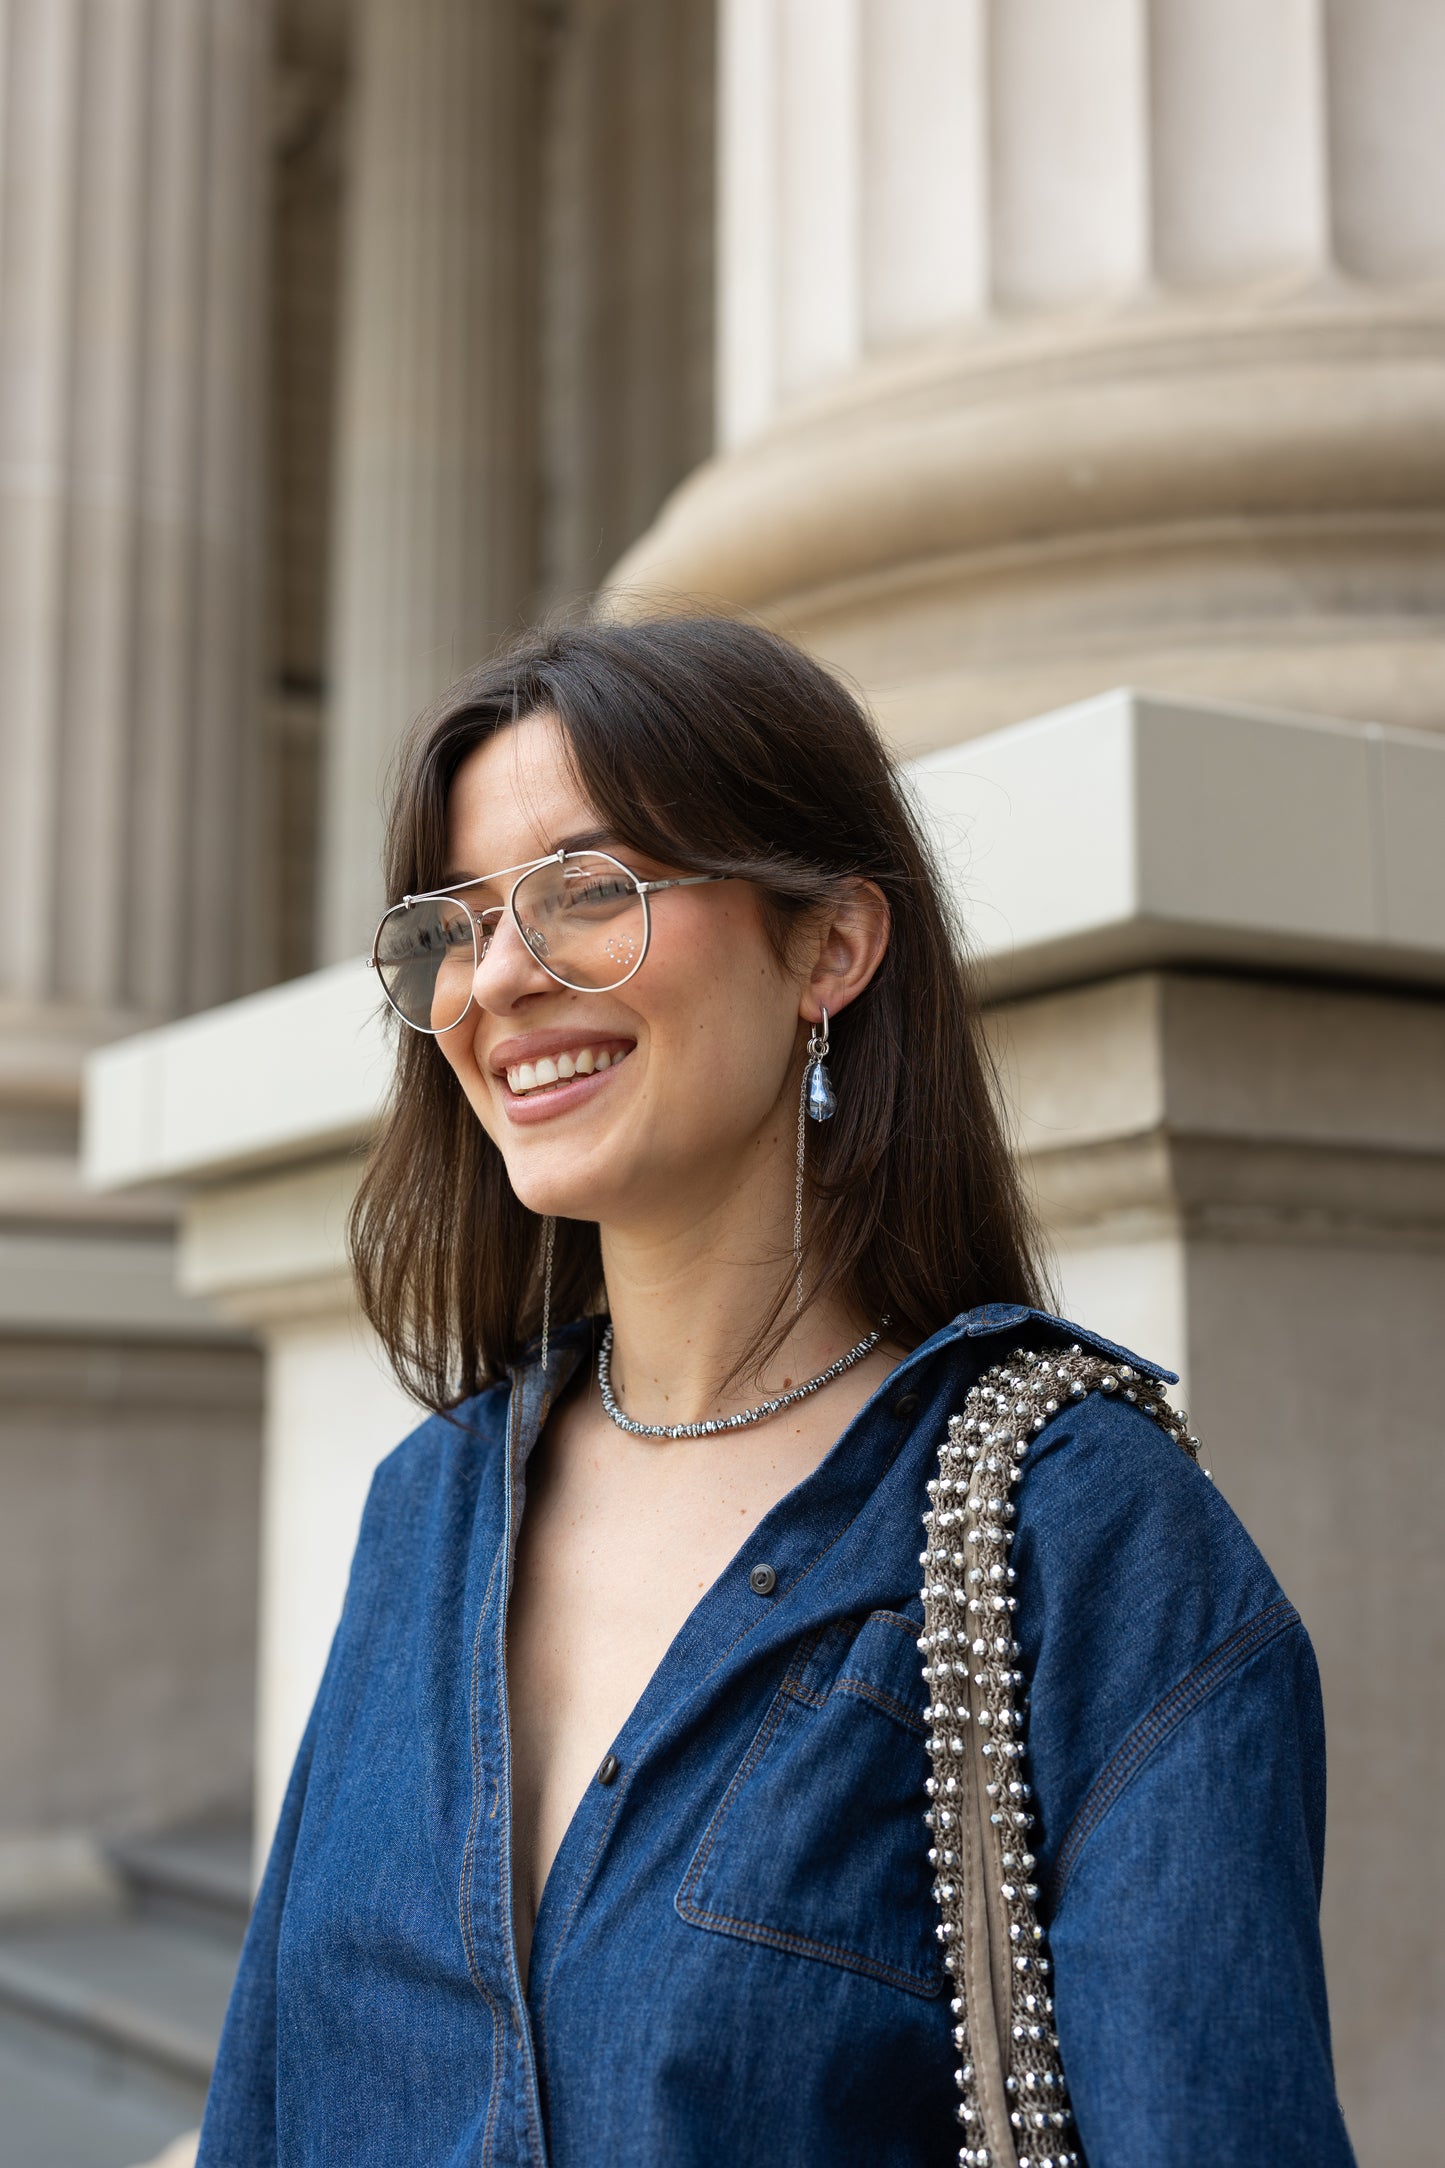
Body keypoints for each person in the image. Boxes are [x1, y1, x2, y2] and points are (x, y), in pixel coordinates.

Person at [197, 616, 1356, 2167]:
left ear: (828, 947)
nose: (501, 981)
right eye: (455, 929)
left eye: (588, 893)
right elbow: (268, 2105)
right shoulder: (434, 1504)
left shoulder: (1083, 1538)